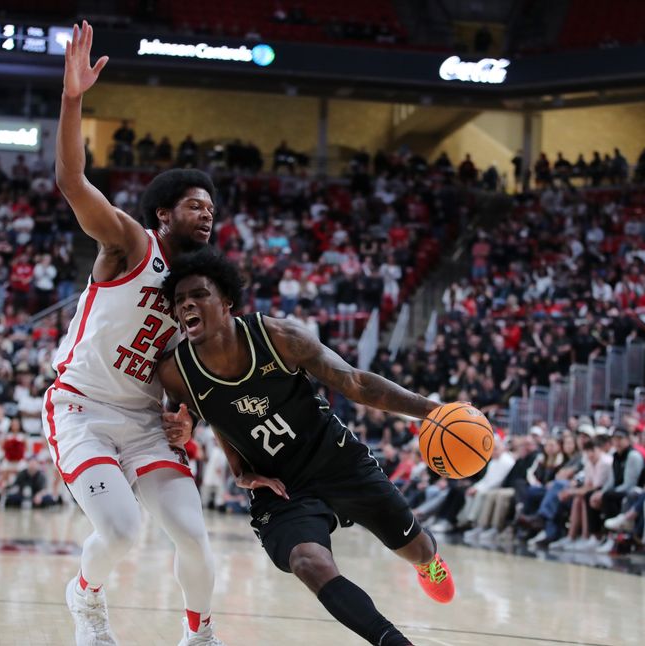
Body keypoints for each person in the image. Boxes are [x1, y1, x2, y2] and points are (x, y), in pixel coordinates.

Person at [158, 249, 456, 646]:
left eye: (198, 295)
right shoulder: (176, 372)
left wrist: (434, 411)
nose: (186, 305)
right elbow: (204, 417)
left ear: (227, 301)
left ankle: (429, 563)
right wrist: (211, 450)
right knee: (307, 561)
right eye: (179, 301)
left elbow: (356, 383)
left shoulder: (278, 336)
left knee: (418, 549)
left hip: (336, 458)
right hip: (280, 487)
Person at [45, 21, 222, 646]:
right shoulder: (129, 243)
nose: (207, 214)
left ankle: (198, 634)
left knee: (193, 534)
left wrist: (184, 415)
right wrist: (73, 100)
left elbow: (183, 370)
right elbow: (72, 183)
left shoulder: (201, 291)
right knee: (121, 532)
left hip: (146, 419)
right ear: (164, 213)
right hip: (84, 409)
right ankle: (85, 596)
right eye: (196, 205)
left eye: (213, 211)